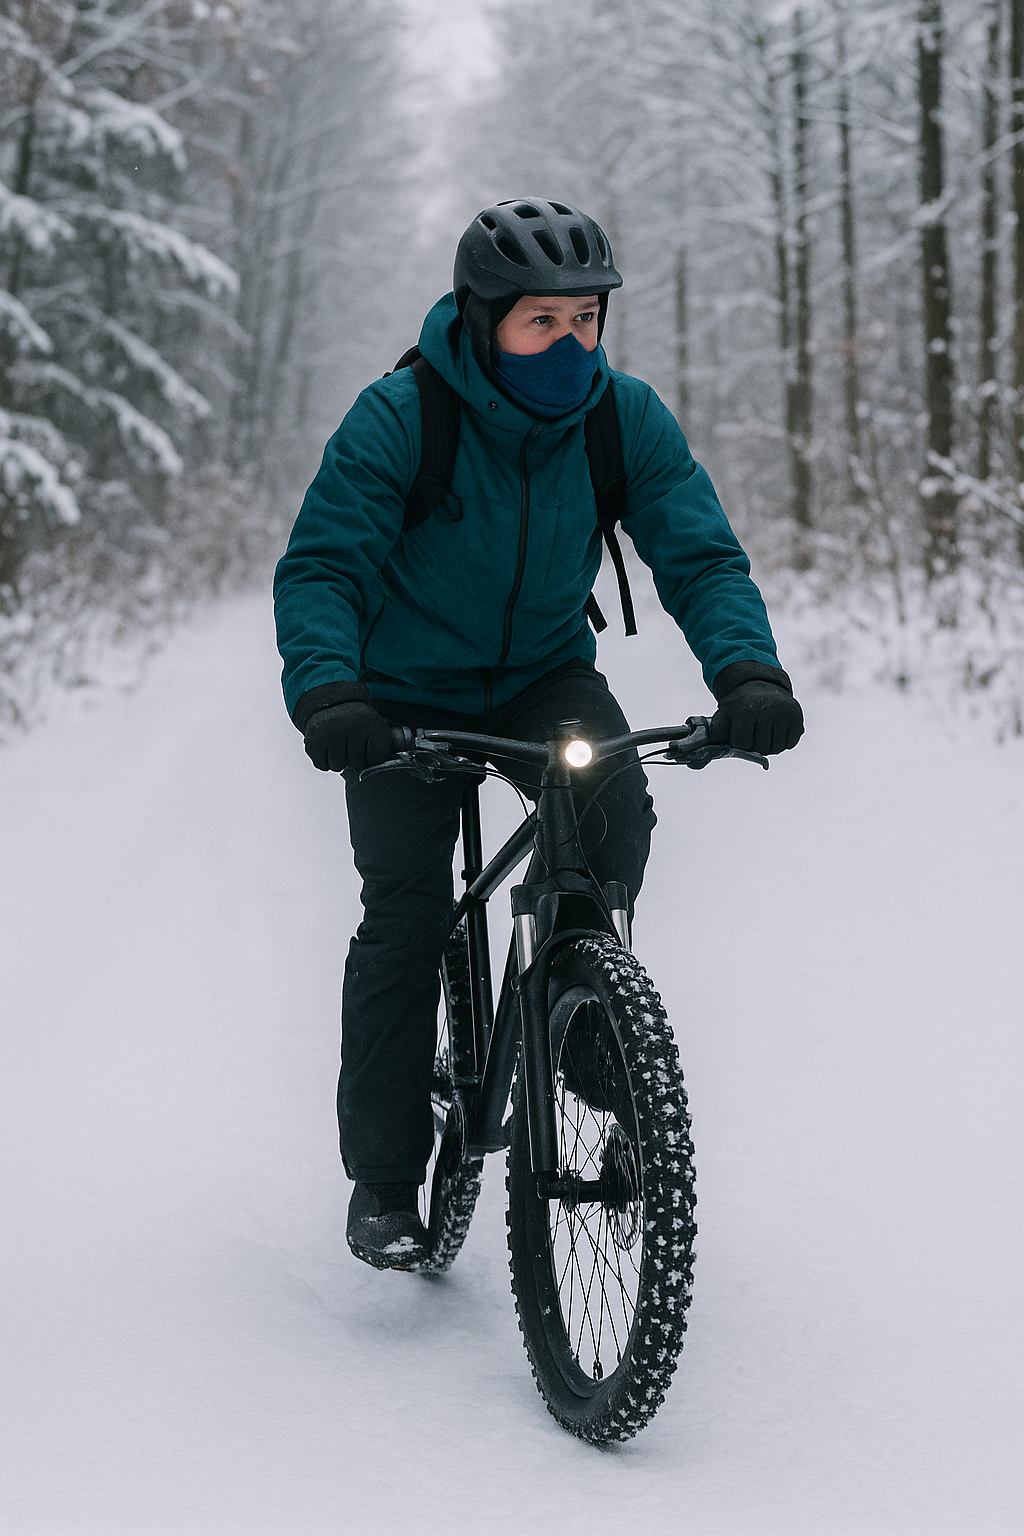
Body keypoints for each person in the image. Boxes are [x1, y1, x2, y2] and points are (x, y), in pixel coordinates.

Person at [274, 198, 803, 1269]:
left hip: (540, 676)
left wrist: (746, 670)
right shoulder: (401, 416)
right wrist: (331, 694)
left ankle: (583, 1010)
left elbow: (697, 553)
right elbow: (323, 566)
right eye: (540, 323)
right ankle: (383, 1176)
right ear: (482, 321)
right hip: (398, 693)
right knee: (406, 915)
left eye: (585, 321)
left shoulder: (620, 419)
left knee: (614, 811)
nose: (569, 345)